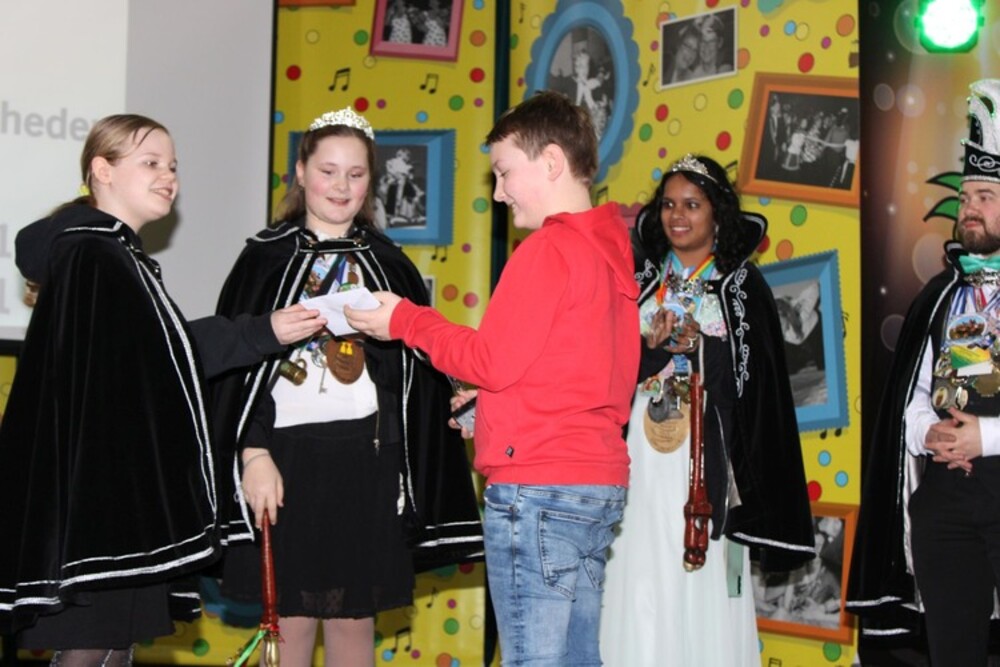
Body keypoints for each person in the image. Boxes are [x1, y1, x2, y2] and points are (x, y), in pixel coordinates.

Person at [0, 114, 325, 664]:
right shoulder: (93, 253)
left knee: (112, 645)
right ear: (102, 170)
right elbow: (152, 361)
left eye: (172, 166)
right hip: (101, 498)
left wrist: (263, 331)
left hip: (115, 493)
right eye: (150, 163)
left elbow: (155, 353)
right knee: (91, 646)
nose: (168, 176)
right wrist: (257, 333)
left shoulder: (115, 253)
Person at [346, 90, 640, 666]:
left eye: (504, 172)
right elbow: (587, 375)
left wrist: (405, 319)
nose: (499, 192)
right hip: (596, 483)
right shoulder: (611, 252)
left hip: (539, 488)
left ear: (551, 162)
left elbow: (488, 361)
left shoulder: (548, 248)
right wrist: (496, 410)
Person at [209, 106, 483, 667]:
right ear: (301, 172)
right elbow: (234, 377)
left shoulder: (389, 265)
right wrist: (253, 452)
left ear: (370, 181)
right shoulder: (262, 259)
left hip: (367, 460)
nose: (341, 186)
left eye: (355, 174)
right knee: (288, 621)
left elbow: (417, 375)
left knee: (355, 621)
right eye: (328, 171)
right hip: (285, 460)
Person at [599, 154, 815, 666]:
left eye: (692, 205)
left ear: (718, 213)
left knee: (696, 580)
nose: (678, 215)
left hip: (705, 467)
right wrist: (652, 349)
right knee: (637, 573)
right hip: (637, 460)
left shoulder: (743, 289)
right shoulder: (638, 282)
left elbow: (755, 389)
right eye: (669, 204)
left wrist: (701, 346)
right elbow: (608, 370)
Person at [847, 77, 1000, 666]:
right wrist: (929, 433)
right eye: (965, 197)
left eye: (984, 195)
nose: (969, 208)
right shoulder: (940, 296)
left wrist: (984, 437)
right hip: (945, 509)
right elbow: (911, 399)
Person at [690, 13, 733, 79]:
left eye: (711, 42)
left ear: (720, 43)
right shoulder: (690, 72)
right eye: (703, 41)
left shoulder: (725, 71)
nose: (706, 47)